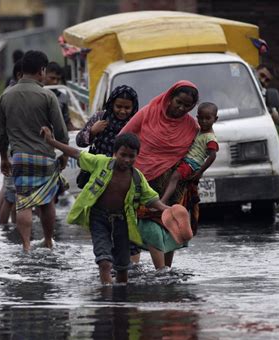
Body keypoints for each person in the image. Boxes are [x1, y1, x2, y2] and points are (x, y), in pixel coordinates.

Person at [41, 128, 170, 284]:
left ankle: (121, 299)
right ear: (115, 153)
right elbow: (77, 153)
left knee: (123, 267)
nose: (127, 160)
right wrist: (51, 142)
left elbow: (150, 198)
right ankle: (106, 297)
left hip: (122, 221)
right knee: (104, 261)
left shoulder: (137, 177)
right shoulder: (101, 163)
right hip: (99, 218)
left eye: (131, 156)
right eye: (123, 155)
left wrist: (167, 209)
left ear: (137, 156)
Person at [121, 80, 200, 270]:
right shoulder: (149, 113)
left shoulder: (192, 127)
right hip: (144, 180)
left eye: (187, 106)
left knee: (170, 224)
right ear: (170, 98)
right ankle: (160, 270)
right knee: (149, 224)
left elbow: (195, 154)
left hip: (174, 184)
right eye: (178, 102)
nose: (180, 108)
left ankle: (167, 268)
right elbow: (123, 137)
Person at [0, 50, 69, 252]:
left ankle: (26, 245)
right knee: (47, 203)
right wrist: (63, 155)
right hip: (45, 157)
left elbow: (0, 134)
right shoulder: (48, 96)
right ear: (41, 70)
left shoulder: (5, 96)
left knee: (24, 202)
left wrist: (3, 158)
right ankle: (47, 241)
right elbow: (61, 131)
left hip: (19, 158)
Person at [75, 84, 140, 261]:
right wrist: (93, 131)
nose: (122, 111)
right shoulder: (100, 117)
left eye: (127, 107)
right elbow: (80, 141)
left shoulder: (137, 122)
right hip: (99, 179)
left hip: (125, 180)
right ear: (111, 103)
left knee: (128, 221)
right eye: (118, 106)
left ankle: (132, 266)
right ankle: (106, 258)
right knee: (101, 221)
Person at [161, 102, 219, 204]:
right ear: (197, 117)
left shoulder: (210, 138)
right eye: (201, 118)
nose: (204, 121)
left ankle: (162, 201)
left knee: (174, 177)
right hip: (187, 160)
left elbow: (212, 156)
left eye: (207, 118)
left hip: (192, 163)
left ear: (215, 119)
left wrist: (200, 171)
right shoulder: (199, 131)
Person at [0, 60, 24, 225]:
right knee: (10, 196)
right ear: (20, 75)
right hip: (13, 150)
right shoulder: (12, 95)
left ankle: (10, 228)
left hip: (12, 150)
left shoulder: (9, 93)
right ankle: (5, 229)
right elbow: (1, 130)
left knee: (12, 195)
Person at [43, 61, 78, 131]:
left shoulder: (63, 97)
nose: (55, 82)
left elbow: (66, 121)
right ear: (44, 75)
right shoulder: (37, 94)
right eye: (52, 78)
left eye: (58, 79)